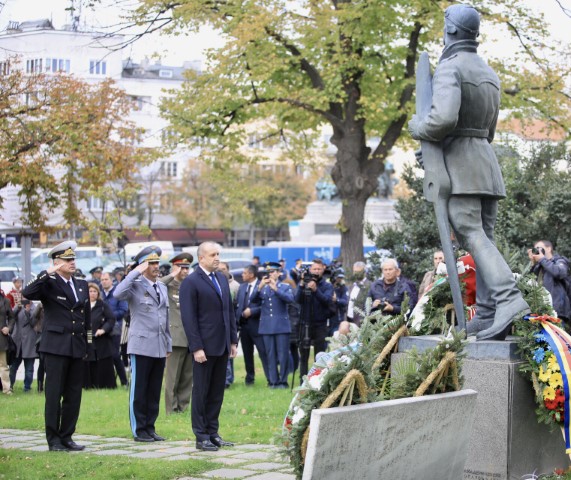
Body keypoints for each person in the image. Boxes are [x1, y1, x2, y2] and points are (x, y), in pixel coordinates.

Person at [408, 3, 529, 340]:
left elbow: (443, 120)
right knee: (483, 237)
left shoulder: (451, 67)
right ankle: (490, 312)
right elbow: (487, 129)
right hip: (485, 162)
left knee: (470, 232)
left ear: (450, 31)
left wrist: (419, 127)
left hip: (461, 167)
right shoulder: (489, 73)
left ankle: (508, 299)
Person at [22, 241, 91, 451]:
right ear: (56, 262)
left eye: (73, 259)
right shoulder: (49, 283)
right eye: (67, 259)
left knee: (73, 395)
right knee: (54, 395)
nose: (72, 262)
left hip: (76, 345)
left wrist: (87, 345)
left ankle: (67, 436)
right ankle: (53, 440)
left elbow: (85, 317)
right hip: (55, 346)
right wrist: (46, 272)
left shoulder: (81, 284)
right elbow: (27, 292)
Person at [179, 241, 238, 452]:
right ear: (201, 258)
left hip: (221, 345)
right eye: (213, 254)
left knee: (216, 392)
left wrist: (233, 340)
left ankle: (213, 433)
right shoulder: (191, 282)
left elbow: (228, 312)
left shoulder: (221, 279)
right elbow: (189, 318)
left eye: (218, 254)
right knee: (201, 392)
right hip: (203, 347)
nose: (217, 258)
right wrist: (196, 347)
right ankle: (201, 435)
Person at [114, 245, 172, 443]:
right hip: (140, 345)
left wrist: (169, 344)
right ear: (142, 266)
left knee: (154, 390)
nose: (157, 267)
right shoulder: (135, 285)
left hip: (159, 345)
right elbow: (117, 294)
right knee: (139, 391)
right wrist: (133, 273)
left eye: (157, 262)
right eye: (152, 263)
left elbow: (165, 317)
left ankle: (150, 427)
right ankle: (139, 430)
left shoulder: (162, 286)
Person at [160, 252, 194, 415]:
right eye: (181, 267)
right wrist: (172, 275)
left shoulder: (190, 285)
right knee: (172, 377)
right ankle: (170, 409)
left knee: (187, 376)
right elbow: (157, 284)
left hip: (190, 337)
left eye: (187, 268)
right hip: (175, 336)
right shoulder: (167, 285)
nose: (184, 271)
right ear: (174, 267)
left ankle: (183, 406)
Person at [251, 262, 294, 388]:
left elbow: (290, 299)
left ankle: (283, 381)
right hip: (267, 326)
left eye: (273, 272)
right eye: (268, 272)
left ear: (278, 273)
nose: (270, 274)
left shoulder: (284, 286)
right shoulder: (262, 288)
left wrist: (276, 289)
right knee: (270, 355)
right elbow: (252, 300)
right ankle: (273, 381)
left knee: (283, 354)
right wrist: (259, 287)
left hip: (281, 326)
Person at [295, 258, 334, 381]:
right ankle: (303, 381)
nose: (316, 271)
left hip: (320, 324)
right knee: (304, 355)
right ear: (310, 270)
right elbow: (297, 300)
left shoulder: (327, 285)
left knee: (320, 355)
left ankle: (318, 380)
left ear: (323, 269)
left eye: (318, 269)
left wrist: (315, 290)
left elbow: (327, 301)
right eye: (314, 269)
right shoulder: (304, 282)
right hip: (304, 323)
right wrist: (302, 284)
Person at [235, 264, 269, 386]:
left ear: (251, 274)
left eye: (244, 273)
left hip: (258, 325)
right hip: (244, 326)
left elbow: (265, 306)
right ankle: (249, 379)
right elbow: (237, 304)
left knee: (263, 352)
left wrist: (252, 311)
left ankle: (270, 378)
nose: (242, 275)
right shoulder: (242, 287)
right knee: (247, 354)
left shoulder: (263, 286)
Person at [529, 240, 570, 323]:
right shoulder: (538, 267)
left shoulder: (559, 261)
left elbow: (559, 272)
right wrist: (533, 263)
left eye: (539, 248)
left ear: (548, 248)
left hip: (556, 312)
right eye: (535, 249)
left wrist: (542, 259)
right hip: (540, 313)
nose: (537, 250)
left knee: (555, 336)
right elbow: (529, 283)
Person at [100, 271, 129, 387]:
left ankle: (124, 381)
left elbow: (123, 310)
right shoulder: (99, 293)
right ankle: (108, 382)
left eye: (106, 279)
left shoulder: (118, 293)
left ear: (111, 280)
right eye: (102, 280)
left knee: (115, 355)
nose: (104, 282)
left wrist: (109, 316)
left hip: (115, 328)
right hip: (101, 327)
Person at [9, 299, 38, 392]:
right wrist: (17, 307)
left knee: (29, 369)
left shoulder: (34, 308)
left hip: (29, 342)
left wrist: (27, 311)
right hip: (17, 342)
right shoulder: (18, 307)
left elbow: (33, 322)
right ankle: (9, 386)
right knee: (13, 367)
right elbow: (10, 316)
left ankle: (27, 388)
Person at [346, 261, 372, 326]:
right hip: (348, 319)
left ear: (365, 272)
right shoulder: (351, 285)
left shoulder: (370, 286)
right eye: (355, 271)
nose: (356, 274)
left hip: (361, 322)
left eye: (359, 271)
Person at [0, 288, 15, 395]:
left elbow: (12, 317)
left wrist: (8, 328)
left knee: (3, 366)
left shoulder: (5, 301)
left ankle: (6, 389)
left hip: (2, 338)